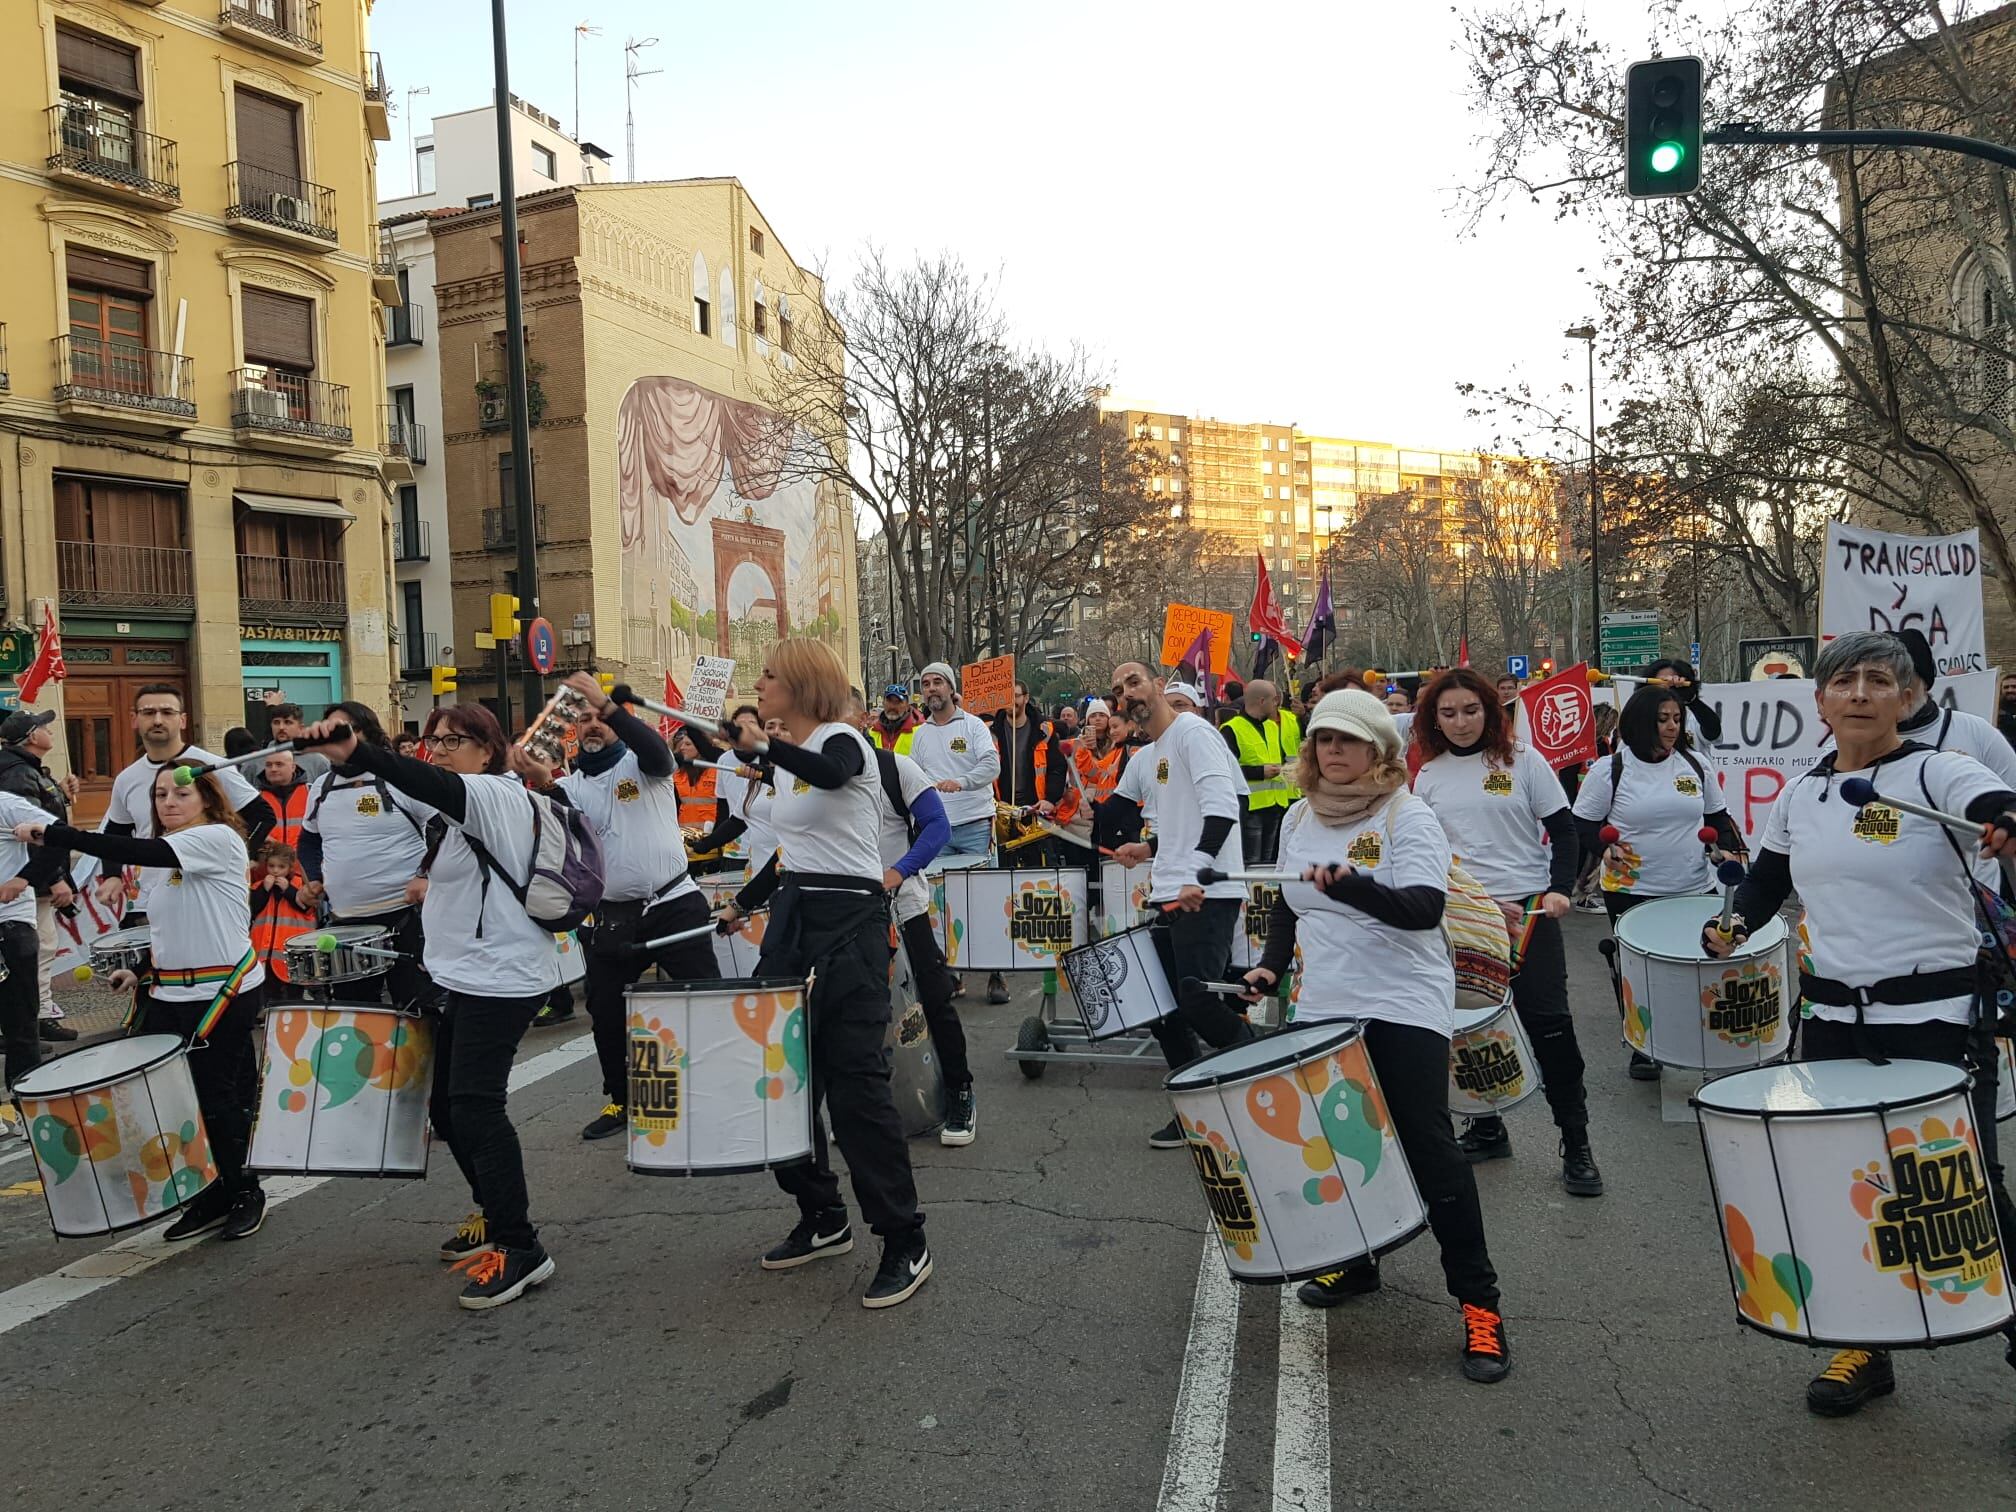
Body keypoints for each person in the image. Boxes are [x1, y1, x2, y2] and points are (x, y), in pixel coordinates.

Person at [1706, 630, 2016, 1415]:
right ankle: (1864, 1346)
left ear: (1908, 699)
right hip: (1836, 1017)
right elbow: (1767, 881)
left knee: (1964, 1189)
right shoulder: (1803, 792)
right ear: (1820, 700)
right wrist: (1733, 925)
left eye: (1880, 681)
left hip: (1939, 1019)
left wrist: (2004, 815)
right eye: (1843, 681)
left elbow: (1986, 799)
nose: (1859, 694)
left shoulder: (1934, 770)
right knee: (1851, 1184)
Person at [1239, 689, 1511, 1383]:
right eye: (1324, 739)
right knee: (1335, 1147)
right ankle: (1356, 1264)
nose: (1333, 751)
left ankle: (1481, 1307)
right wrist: (1270, 967)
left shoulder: (1405, 814)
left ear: (1379, 751)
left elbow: (1423, 910)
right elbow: (1286, 906)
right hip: (1325, 1002)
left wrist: (1350, 886)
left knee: (1429, 1151)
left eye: (1348, 740)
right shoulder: (1299, 815)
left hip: (1403, 1003)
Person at [296, 703, 563, 1311]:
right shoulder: (453, 810)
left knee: (474, 1105)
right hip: (466, 974)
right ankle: (498, 1222)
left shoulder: (492, 793)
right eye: (433, 740)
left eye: (454, 740)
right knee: (448, 1103)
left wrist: (358, 752)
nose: (438, 750)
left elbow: (429, 784)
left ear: (488, 750)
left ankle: (521, 1247)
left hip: (504, 976)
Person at [714, 640, 933, 1309]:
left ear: (803, 685)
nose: (759, 681)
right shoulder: (788, 765)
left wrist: (764, 748)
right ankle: (822, 1214)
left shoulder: (846, 743)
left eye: (770, 674)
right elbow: (794, 852)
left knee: (854, 1088)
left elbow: (833, 775)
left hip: (852, 925)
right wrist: (744, 904)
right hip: (796, 920)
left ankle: (904, 1238)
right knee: (776, 1080)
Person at [25, 772, 268, 1238]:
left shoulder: (216, 837)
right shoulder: (166, 858)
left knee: (220, 1098)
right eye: (160, 795)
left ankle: (244, 1191)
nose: (168, 802)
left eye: (181, 793)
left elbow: (134, 850)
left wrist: (55, 833)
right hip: (170, 993)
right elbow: (170, 926)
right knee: (179, 1102)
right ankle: (209, 1194)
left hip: (222, 992)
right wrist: (138, 966)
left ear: (207, 798)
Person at [1412, 667, 1602, 1196]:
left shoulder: (1524, 762)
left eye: (1470, 710)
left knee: (1550, 1027)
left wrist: (1560, 888)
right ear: (1434, 719)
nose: (1460, 722)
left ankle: (1577, 1143)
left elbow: (1564, 832)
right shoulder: (1428, 775)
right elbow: (1427, 854)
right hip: (1465, 919)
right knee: (1469, 1030)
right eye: (1447, 713)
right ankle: (1488, 1125)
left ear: (1490, 710)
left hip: (1529, 915)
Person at [557, 672, 718, 1142]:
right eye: (583, 719)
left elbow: (657, 751)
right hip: (613, 916)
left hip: (673, 901)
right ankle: (621, 1099)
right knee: (606, 1012)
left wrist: (608, 706)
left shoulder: (642, 765)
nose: (592, 726)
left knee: (702, 1001)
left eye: (601, 720)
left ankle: (714, 1089)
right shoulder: (570, 786)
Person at [1097, 663, 1252, 1146]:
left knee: (1201, 1003)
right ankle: (1196, 1112)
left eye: (1135, 682)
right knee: (1160, 1008)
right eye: (1119, 689)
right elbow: (1124, 816)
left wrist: (1198, 870)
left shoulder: (1194, 734)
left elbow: (1225, 809)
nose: (1128, 693)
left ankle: (1265, 1080)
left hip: (1206, 892)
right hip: (1170, 889)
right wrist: (1143, 848)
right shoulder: (1148, 754)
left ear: (1158, 687)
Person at [1574, 682, 1746, 1079]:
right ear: (1639, 723)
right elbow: (1582, 823)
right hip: (1631, 890)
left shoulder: (1696, 765)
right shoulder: (1610, 770)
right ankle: (1643, 1045)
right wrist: (1603, 850)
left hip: (1692, 884)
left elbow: (1716, 818)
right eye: (1662, 719)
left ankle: (1695, 1039)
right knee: (1640, 973)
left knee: (1697, 966)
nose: (1671, 727)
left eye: (1676, 719)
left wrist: (1730, 848)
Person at [847, 691, 975, 1143]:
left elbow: (937, 825)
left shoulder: (892, 767)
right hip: (849, 915)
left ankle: (960, 1091)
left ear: (862, 717)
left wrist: (898, 871)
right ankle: (870, 1108)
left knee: (934, 998)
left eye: (837, 713)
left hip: (903, 906)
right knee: (858, 1013)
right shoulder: (817, 777)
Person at [298, 701, 437, 1012]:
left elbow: (441, 830)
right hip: (345, 924)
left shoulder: (401, 777)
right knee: (357, 1016)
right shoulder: (321, 786)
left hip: (404, 918)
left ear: (369, 734)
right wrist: (314, 880)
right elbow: (308, 841)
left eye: (344, 729)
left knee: (417, 1011)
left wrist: (424, 875)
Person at [99, 685, 267, 918]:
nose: (158, 720)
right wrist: (112, 875)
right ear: (134, 719)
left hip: (205, 901)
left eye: (167, 712)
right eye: (148, 713)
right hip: (146, 902)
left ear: (183, 720)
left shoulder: (211, 767)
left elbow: (262, 815)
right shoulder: (126, 779)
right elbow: (116, 831)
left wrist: (239, 854)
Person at [0, 709, 80, 1043]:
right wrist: (53, 877)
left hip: (29, 880)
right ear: (32, 736)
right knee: (40, 949)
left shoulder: (27, 770)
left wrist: (60, 791)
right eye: (45, 727)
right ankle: (33, 1020)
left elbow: (43, 812)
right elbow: (34, 831)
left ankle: (29, 1019)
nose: (50, 730)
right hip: (27, 885)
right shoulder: (19, 774)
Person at [0, 785, 61, 1126]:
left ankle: (28, 1113)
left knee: (20, 1025)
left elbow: (61, 837)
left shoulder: (6, 804)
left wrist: (25, 879)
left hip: (9, 927)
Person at [910, 663, 1001, 858]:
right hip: (937, 829)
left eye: (938, 682)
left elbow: (992, 765)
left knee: (979, 888)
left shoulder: (974, 725)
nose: (931, 688)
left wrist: (961, 782)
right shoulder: (920, 734)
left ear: (951, 688)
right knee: (941, 889)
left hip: (976, 827)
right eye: (925, 684)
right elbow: (913, 778)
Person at [1221, 679, 1301, 864]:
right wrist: (1259, 772)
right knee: (1252, 862)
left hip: (1275, 805)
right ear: (1262, 701)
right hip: (1251, 808)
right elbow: (1225, 771)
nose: (1278, 704)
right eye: (1274, 700)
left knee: (1269, 862)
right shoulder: (1231, 729)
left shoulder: (1272, 727)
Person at [250, 839, 312, 996]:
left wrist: (289, 890)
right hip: (265, 953)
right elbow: (252, 909)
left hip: (294, 952)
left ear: (290, 867)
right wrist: (264, 889)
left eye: (281, 867)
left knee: (293, 996)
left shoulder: (300, 885)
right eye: (271, 866)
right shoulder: (259, 886)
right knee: (269, 994)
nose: (275, 871)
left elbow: (306, 908)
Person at [1642, 658, 1723, 757]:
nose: (1666, 688)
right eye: (1660, 683)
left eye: (1673, 685)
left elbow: (1713, 733)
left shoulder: (1692, 717)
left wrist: (1693, 701)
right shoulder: (1640, 720)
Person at [262, 701, 331, 782]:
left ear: (301, 728)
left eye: (287, 722)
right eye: (276, 722)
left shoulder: (318, 762)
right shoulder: (256, 762)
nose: (281, 727)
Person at [867, 686, 921, 754]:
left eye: (898, 702)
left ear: (907, 706)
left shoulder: (919, 733)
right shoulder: (872, 732)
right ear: (883, 703)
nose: (892, 706)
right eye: (889, 701)